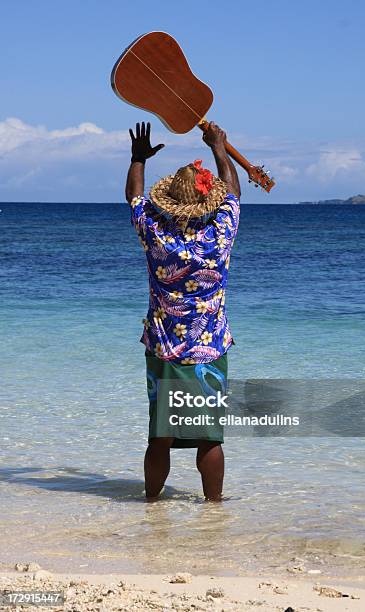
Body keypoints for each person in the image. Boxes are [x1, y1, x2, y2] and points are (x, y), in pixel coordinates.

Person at [125, 121, 240, 501]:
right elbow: (235, 194)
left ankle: (151, 507)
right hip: (209, 351)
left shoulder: (155, 234)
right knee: (209, 438)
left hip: (164, 350)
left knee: (160, 436)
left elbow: (134, 197)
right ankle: (214, 510)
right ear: (209, 201)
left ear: (171, 200)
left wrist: (138, 158)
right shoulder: (220, 233)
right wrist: (219, 149)